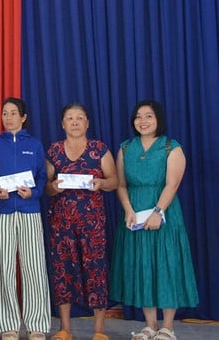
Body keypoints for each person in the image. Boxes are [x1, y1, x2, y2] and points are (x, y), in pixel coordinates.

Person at [110, 100, 198, 340]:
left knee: (167, 265)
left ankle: (167, 327)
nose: (143, 121)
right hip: (134, 214)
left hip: (165, 214)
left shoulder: (171, 147)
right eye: (138, 116)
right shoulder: (126, 148)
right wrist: (128, 209)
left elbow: (172, 184)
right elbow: (121, 183)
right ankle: (149, 325)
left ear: (158, 119)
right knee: (141, 265)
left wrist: (158, 212)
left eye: (149, 116)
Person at [45, 103, 118, 340]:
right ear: (62, 124)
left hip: (92, 223)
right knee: (62, 271)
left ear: (87, 123)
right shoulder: (54, 150)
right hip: (61, 223)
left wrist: (102, 184)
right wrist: (53, 188)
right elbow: (45, 187)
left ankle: (99, 330)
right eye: (69, 118)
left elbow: (114, 180)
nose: (74, 122)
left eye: (79, 118)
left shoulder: (99, 149)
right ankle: (64, 328)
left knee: (96, 270)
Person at [0, 97, 51, 340]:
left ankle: (37, 325)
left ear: (23, 117)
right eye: (4, 113)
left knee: (34, 268)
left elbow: (42, 177)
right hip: (2, 212)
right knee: (3, 268)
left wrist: (34, 192)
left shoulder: (34, 144)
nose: (8, 117)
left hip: (30, 211)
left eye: (13, 113)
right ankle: (8, 325)